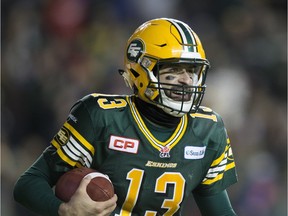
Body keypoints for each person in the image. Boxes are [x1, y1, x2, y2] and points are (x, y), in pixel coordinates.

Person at [14, 18, 238, 216]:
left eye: (192, 71)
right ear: (140, 70)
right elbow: (28, 185)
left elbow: (220, 211)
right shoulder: (101, 116)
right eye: (173, 71)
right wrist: (64, 211)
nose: (187, 80)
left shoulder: (209, 129)